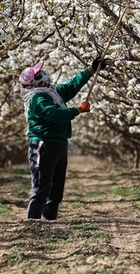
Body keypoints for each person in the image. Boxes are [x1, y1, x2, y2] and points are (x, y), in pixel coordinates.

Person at [19, 57, 107, 220]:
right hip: (43, 144)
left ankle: (50, 221)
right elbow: (55, 115)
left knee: (56, 188)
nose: (44, 75)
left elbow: (71, 86)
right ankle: (32, 225)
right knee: (41, 188)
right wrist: (77, 110)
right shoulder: (37, 98)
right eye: (39, 75)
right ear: (33, 83)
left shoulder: (50, 92)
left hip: (59, 143)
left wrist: (91, 70)